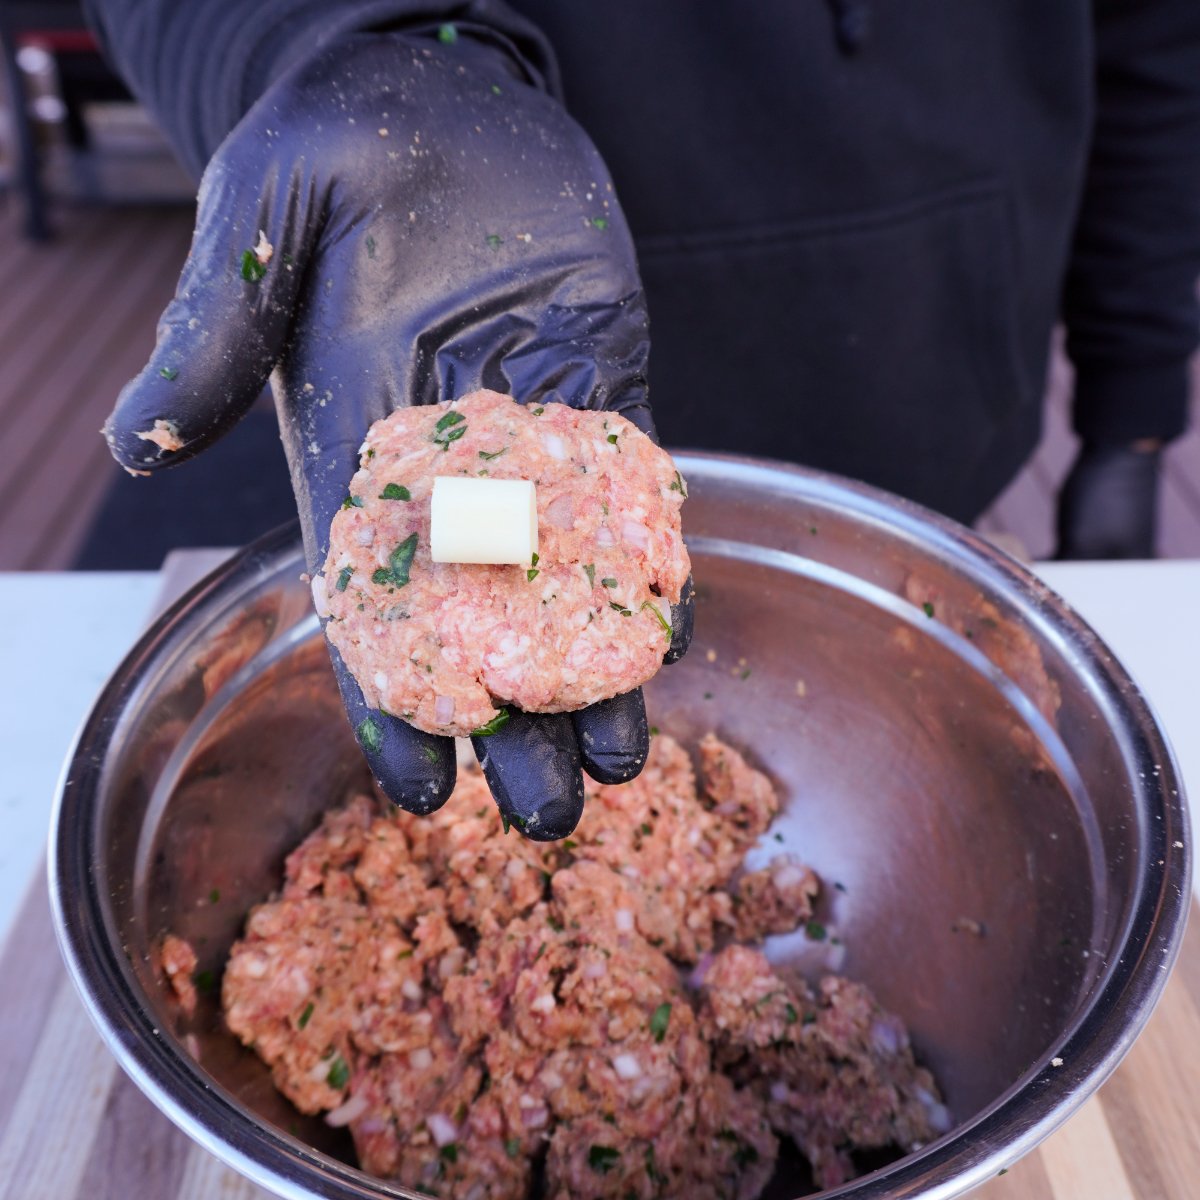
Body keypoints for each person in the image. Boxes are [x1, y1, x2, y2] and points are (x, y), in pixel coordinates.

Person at [83, 0, 1200, 828]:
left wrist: (1134, 408)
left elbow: (1158, 36)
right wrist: (337, 36)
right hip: (419, 312)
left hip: (926, 393)